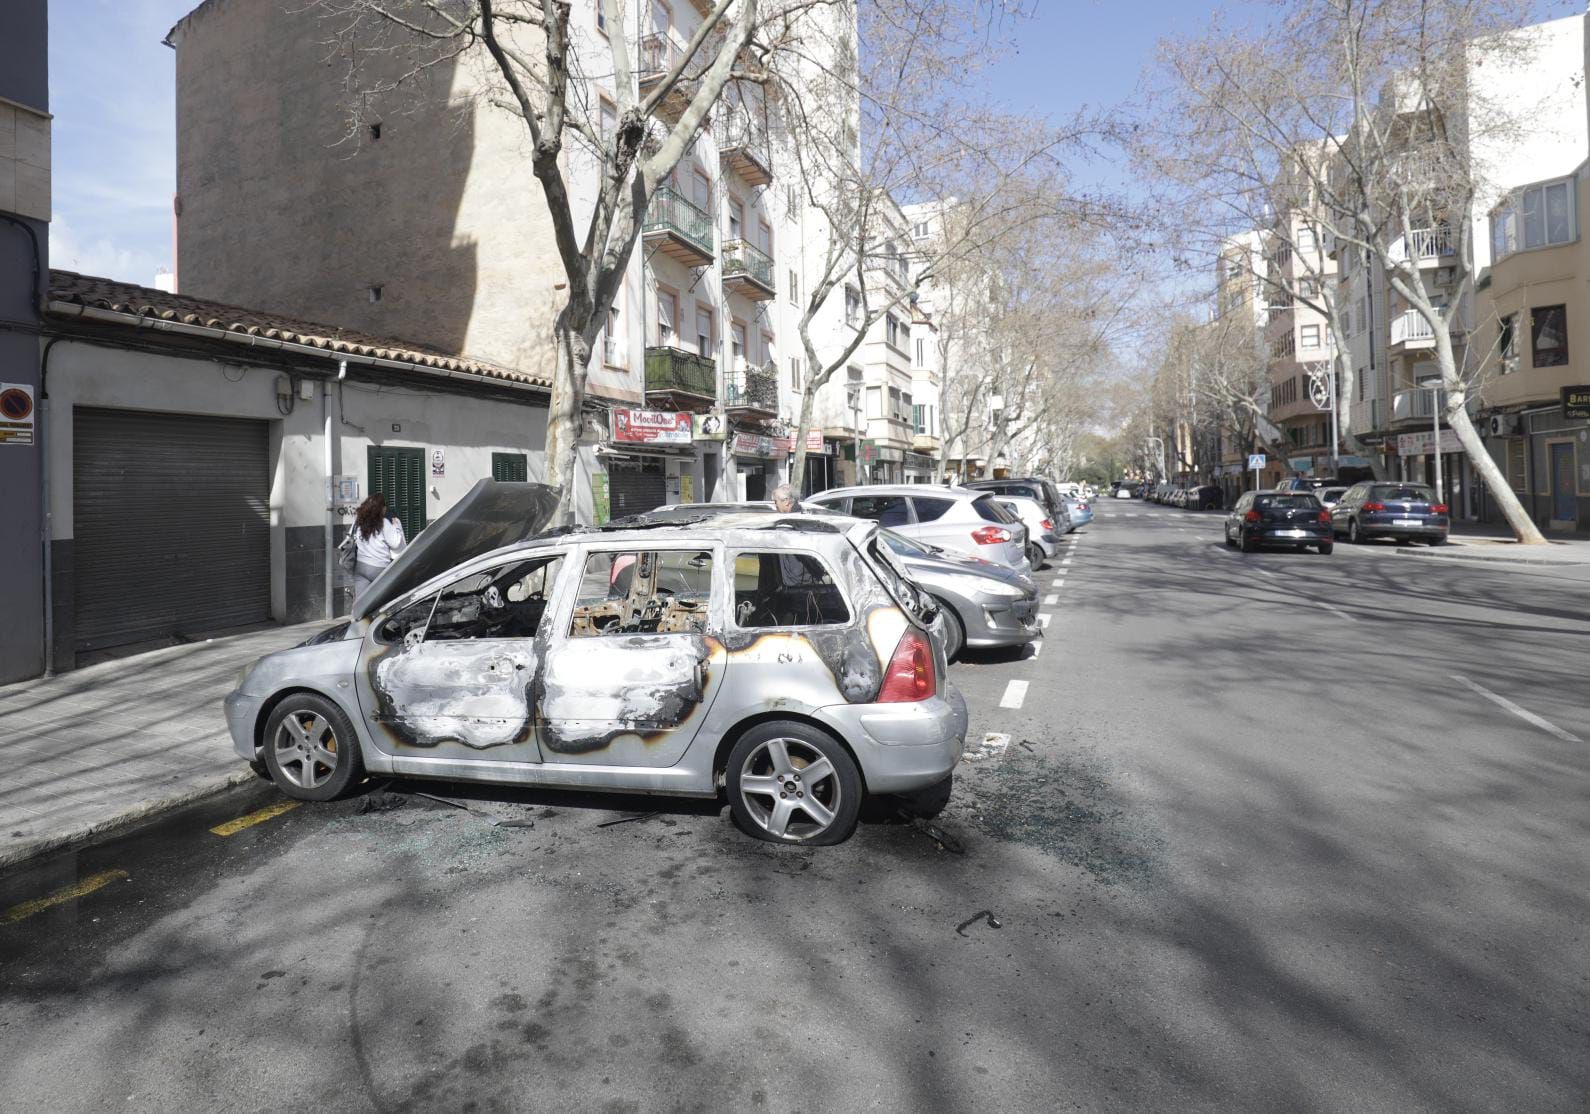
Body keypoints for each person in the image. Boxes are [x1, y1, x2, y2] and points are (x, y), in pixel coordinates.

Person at [349, 493, 406, 600]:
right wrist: (397, 526)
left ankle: (356, 616)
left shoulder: (359, 521)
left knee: (361, 602)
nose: (386, 509)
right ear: (381, 508)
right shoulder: (384, 523)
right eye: (385, 506)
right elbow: (396, 543)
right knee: (382, 602)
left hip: (360, 566)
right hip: (379, 568)